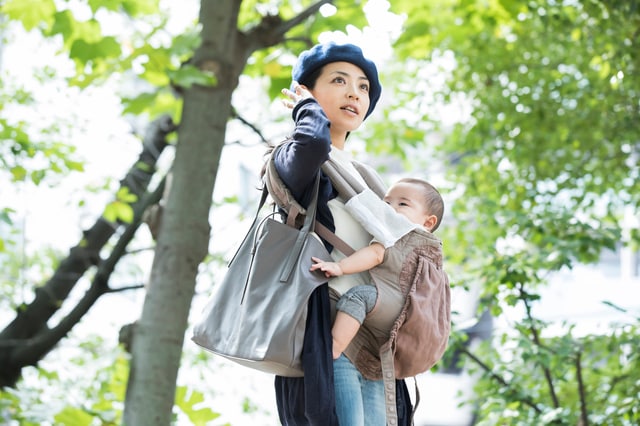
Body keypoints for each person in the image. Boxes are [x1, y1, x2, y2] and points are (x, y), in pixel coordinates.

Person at [268, 41, 413, 426]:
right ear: (307, 93)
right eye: (339, 80)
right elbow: (313, 142)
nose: (355, 93)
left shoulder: (368, 181)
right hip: (326, 335)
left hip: (374, 336)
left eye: (364, 87)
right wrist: (305, 111)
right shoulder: (295, 159)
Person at [310, 177, 445, 359]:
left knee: (358, 296)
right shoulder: (435, 248)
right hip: (415, 312)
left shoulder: (396, 232)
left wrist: (340, 267)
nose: (390, 208)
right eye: (386, 202)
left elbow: (375, 254)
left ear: (428, 223)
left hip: (391, 302)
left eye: (403, 204)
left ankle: (334, 346)